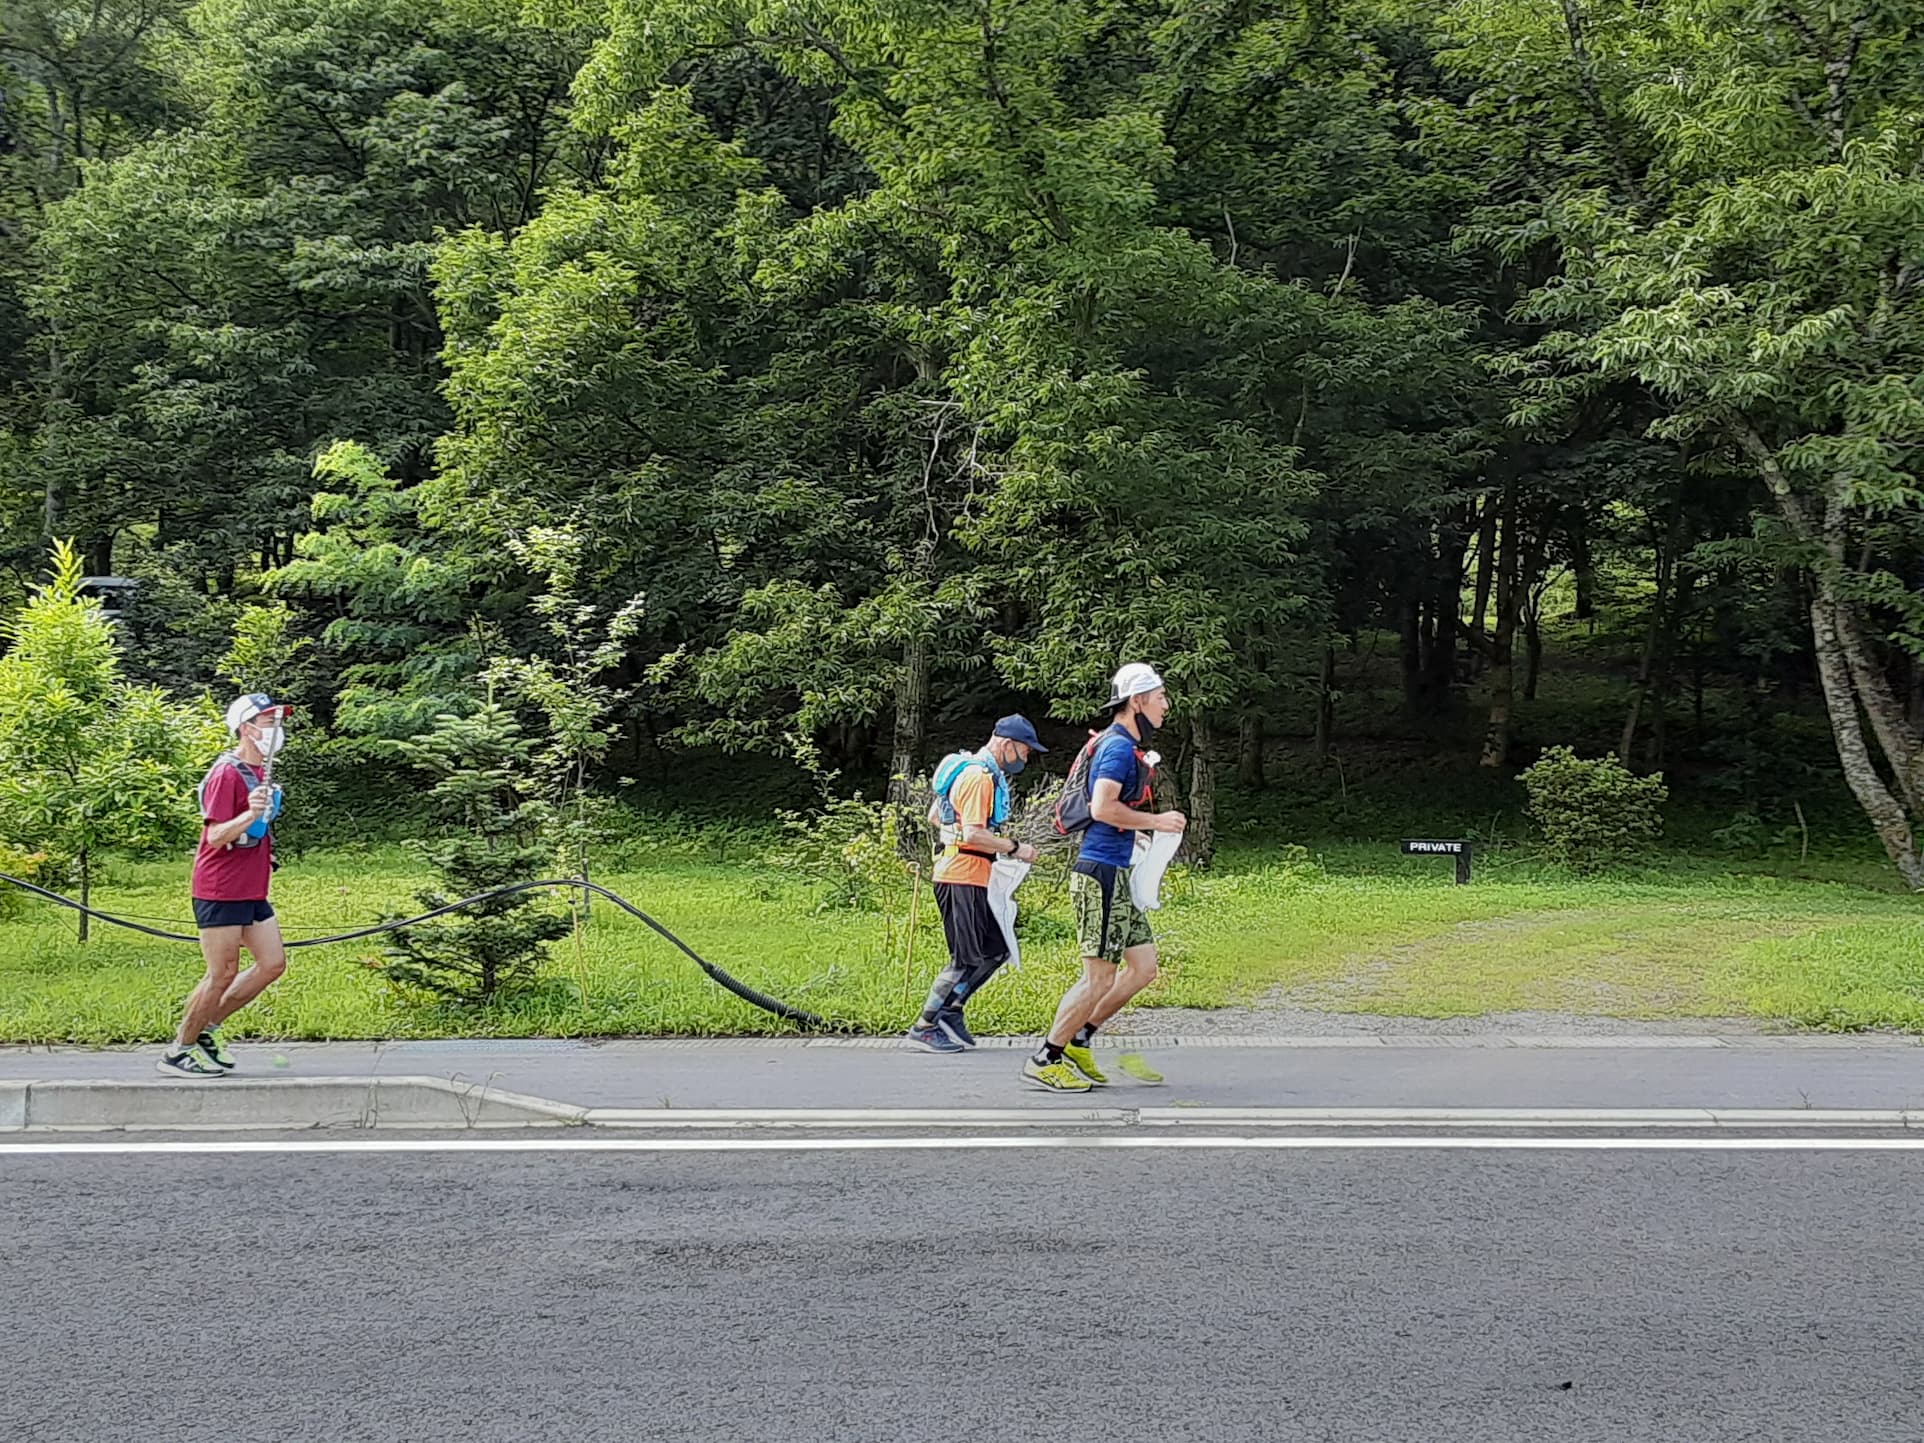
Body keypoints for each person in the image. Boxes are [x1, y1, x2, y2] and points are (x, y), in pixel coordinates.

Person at [1024, 663, 1185, 1092]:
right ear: (1139, 701)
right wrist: (1156, 821)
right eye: (1161, 697)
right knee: (1099, 976)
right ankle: (1046, 1057)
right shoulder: (1116, 748)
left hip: (1116, 873)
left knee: (1144, 968)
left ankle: (1080, 1037)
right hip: (1100, 875)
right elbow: (1102, 808)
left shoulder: (1125, 746)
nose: (1166, 706)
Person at [157, 694, 292, 1078]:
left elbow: (254, 831)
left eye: (277, 723)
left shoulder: (260, 773)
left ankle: (207, 1030)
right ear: (246, 728)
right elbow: (215, 836)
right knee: (222, 973)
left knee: (272, 964)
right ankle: (179, 1050)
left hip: (252, 888)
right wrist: (249, 813)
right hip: (220, 889)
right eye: (268, 723)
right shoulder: (226, 773)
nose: (276, 731)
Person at [906, 715, 1048, 1053]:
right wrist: (1016, 848)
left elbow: (935, 816)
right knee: (965, 959)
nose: (1025, 759)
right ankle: (924, 1027)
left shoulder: (972, 771)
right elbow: (973, 833)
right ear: (1006, 744)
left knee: (995, 949)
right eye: (1025, 752)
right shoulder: (980, 778)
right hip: (960, 876)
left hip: (970, 873)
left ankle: (952, 1009)